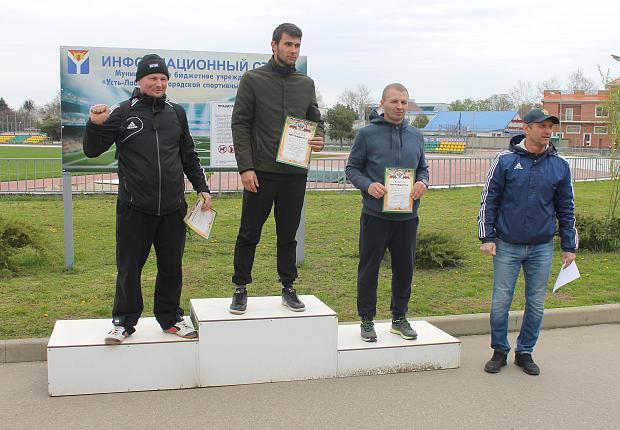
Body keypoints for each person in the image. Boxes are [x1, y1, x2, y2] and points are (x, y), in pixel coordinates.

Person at [83, 54, 212, 344]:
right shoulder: (122, 112)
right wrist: (95, 124)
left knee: (171, 266)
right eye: (153, 78)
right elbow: (92, 150)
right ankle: (124, 322)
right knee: (129, 268)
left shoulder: (176, 113)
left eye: (163, 79)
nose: (159, 83)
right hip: (134, 207)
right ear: (139, 81)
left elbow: (188, 156)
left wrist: (201, 187)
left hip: (172, 208)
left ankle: (170, 318)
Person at [229, 23, 325, 315]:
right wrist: (246, 167)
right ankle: (240, 288)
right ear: (274, 45)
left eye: (297, 46)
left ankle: (288, 287)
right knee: (249, 233)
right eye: (288, 44)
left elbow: (315, 117)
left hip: (294, 173)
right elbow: (240, 123)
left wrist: (319, 136)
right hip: (261, 172)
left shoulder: (305, 84)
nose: (293, 50)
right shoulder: (253, 79)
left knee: (288, 235)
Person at [478, 108, 577, 375]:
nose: (547, 131)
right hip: (507, 244)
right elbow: (490, 200)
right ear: (527, 128)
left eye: (550, 127)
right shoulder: (505, 160)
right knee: (501, 301)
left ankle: (525, 352)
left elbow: (566, 207)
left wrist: (569, 245)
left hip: (541, 247)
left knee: (535, 302)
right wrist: (487, 236)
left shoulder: (559, 165)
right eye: (542, 126)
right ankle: (499, 350)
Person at [346, 83, 429, 342]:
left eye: (404, 102)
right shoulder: (367, 135)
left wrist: (422, 183)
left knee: (404, 269)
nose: (400, 107)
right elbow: (352, 169)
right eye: (394, 101)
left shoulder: (416, 135)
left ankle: (399, 317)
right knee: (369, 269)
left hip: (407, 217)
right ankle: (367, 319)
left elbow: (423, 168)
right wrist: (368, 185)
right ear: (382, 103)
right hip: (375, 216)